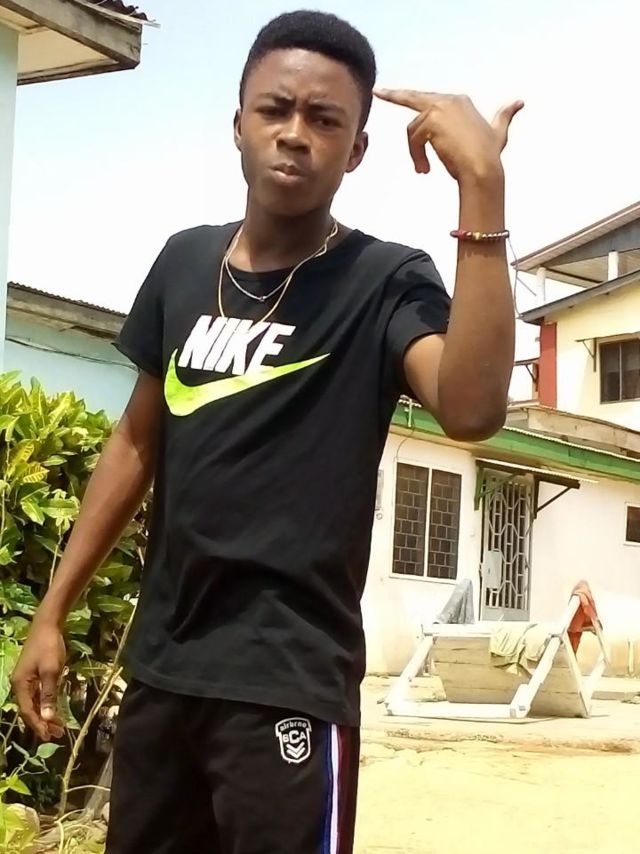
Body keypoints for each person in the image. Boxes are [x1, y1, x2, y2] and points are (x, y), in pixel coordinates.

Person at [12, 10, 521, 853]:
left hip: (290, 680)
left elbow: (471, 410)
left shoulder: (385, 280)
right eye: (275, 109)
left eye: (325, 119)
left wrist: (482, 188)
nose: (294, 134)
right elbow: (135, 444)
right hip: (165, 669)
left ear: (356, 150)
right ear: (238, 124)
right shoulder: (184, 262)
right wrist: (52, 611)